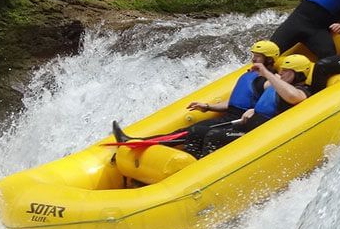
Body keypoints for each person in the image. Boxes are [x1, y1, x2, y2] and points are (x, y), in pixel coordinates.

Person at [111, 40, 279, 153]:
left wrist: (266, 76)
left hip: (239, 121)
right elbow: (235, 101)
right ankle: (139, 143)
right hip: (230, 114)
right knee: (188, 131)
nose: (253, 58)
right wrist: (208, 107)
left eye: (258, 56)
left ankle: (137, 143)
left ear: (268, 59)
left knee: (193, 131)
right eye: (254, 55)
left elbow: (268, 100)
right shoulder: (251, 75)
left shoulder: (269, 80)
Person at [194, 54, 313, 158]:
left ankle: (204, 168)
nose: (281, 73)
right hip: (247, 128)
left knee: (213, 136)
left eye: (286, 70)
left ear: (299, 74)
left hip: (259, 137)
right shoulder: (278, 87)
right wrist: (253, 110)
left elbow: (293, 96)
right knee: (198, 131)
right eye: (281, 69)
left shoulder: (302, 90)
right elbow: (267, 103)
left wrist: (266, 73)